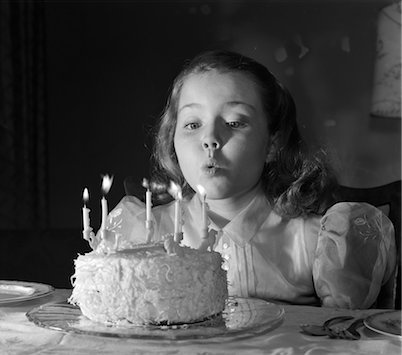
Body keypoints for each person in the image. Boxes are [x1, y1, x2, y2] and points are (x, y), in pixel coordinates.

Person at [99, 49, 396, 309]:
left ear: (273, 144)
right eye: (192, 124)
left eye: (234, 122)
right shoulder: (142, 234)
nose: (211, 139)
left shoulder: (314, 241)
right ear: (171, 140)